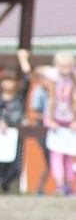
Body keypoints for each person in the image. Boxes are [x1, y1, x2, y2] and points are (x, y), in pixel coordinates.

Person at [0, 49, 33, 194]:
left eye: (10, 80)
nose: (7, 84)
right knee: (1, 163)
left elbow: (28, 78)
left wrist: (23, 59)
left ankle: (0, 185)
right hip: (2, 136)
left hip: (17, 134)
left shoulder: (19, 97)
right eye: (5, 80)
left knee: (17, 166)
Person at [45, 50, 76, 196]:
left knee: (70, 155)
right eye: (62, 66)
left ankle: (70, 185)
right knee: (56, 155)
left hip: (70, 121)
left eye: (68, 66)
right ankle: (60, 185)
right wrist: (49, 119)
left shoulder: (73, 78)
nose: (65, 69)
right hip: (57, 120)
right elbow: (51, 99)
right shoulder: (53, 79)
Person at [30, 65, 54, 195]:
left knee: (52, 161)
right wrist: (49, 118)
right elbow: (34, 113)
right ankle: (39, 188)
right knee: (49, 161)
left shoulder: (51, 91)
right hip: (42, 131)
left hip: (51, 130)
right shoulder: (38, 92)